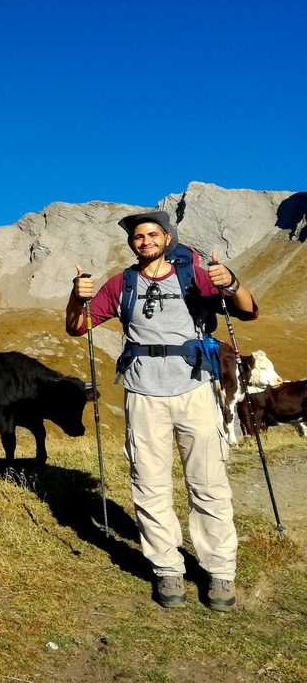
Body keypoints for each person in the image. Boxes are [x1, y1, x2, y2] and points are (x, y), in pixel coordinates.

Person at [64, 210, 258, 611]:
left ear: (167, 238)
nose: (145, 241)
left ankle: (220, 573)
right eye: (138, 236)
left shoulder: (196, 275)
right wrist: (76, 294)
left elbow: (247, 310)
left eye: (152, 234)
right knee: (148, 484)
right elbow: (77, 327)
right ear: (132, 243)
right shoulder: (121, 284)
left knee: (207, 483)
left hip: (194, 389)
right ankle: (167, 568)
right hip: (142, 391)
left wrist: (232, 281)